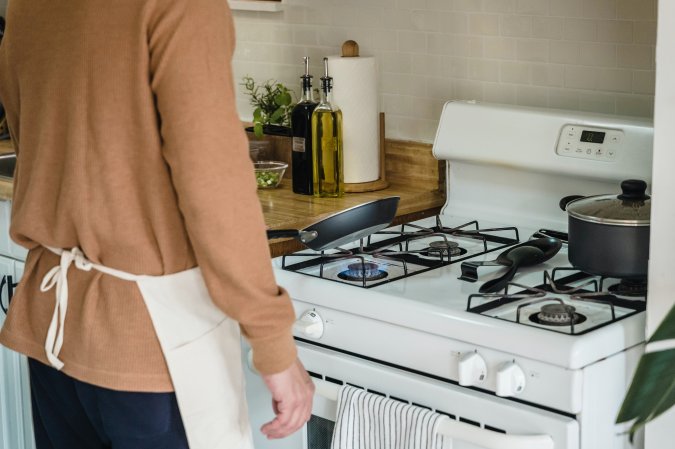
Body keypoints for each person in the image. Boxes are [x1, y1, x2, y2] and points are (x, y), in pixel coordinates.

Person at [0, 0, 314, 447]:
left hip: (53, 337)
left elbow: (26, 126)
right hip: (153, 349)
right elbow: (213, 182)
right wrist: (273, 344)